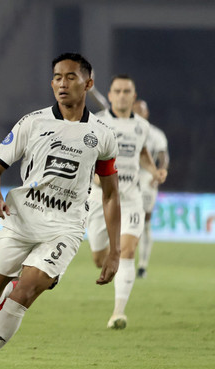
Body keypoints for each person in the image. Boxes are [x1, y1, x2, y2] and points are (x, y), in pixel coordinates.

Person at [0, 52, 121, 369]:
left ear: (88, 83)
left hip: (66, 227)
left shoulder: (102, 133)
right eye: (57, 76)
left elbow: (111, 194)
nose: (62, 83)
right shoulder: (32, 123)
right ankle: (6, 291)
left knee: (25, 293)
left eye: (71, 77)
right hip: (21, 221)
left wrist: (115, 251)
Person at [86, 75, 167, 330]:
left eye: (127, 91)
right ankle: (109, 264)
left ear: (133, 96)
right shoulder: (97, 122)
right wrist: (95, 179)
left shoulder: (142, 126)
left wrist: (154, 171)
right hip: (101, 199)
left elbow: (142, 152)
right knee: (101, 259)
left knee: (127, 250)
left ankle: (118, 313)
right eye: (117, 91)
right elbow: (85, 156)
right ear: (110, 95)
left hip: (131, 198)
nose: (122, 95)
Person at [132, 99, 169, 278]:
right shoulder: (123, 129)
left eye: (142, 111)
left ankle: (142, 266)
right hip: (126, 176)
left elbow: (163, 157)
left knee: (145, 222)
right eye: (136, 111)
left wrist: (160, 172)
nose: (139, 113)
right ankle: (122, 260)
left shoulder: (156, 134)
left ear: (146, 114)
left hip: (146, 178)